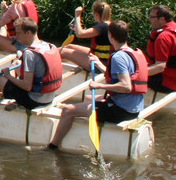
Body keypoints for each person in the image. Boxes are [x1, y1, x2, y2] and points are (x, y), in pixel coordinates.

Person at [47, 20, 147, 150]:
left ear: (110, 36)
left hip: (121, 111)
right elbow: (118, 78)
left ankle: (52, 146)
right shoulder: (132, 52)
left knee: (67, 110)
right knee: (89, 99)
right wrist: (99, 63)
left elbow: (126, 86)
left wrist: (100, 86)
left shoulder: (118, 57)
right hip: (134, 108)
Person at [0, 17, 63, 110]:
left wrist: (8, 76)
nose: (16, 36)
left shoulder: (29, 53)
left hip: (33, 101)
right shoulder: (49, 46)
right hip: (49, 98)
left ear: (28, 33)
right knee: (17, 63)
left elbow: (27, 86)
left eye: (19, 33)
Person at [145, 5, 176, 92]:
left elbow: (160, 67)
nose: (149, 19)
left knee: (128, 78)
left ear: (162, 19)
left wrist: (136, 75)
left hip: (171, 83)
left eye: (152, 17)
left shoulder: (163, 37)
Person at [60, 1, 112, 72]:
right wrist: (76, 29)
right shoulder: (109, 24)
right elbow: (84, 33)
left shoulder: (102, 27)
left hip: (100, 64)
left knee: (63, 51)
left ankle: (49, 72)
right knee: (69, 46)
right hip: (104, 59)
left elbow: (80, 34)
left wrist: (77, 16)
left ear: (96, 14)